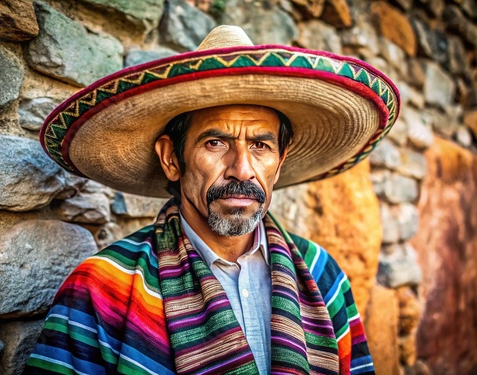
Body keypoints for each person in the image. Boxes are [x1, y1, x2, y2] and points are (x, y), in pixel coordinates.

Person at [24, 25, 399, 375]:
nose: (242, 170)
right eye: (215, 143)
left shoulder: (323, 276)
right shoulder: (104, 289)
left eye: (261, 145)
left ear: (280, 163)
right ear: (172, 158)